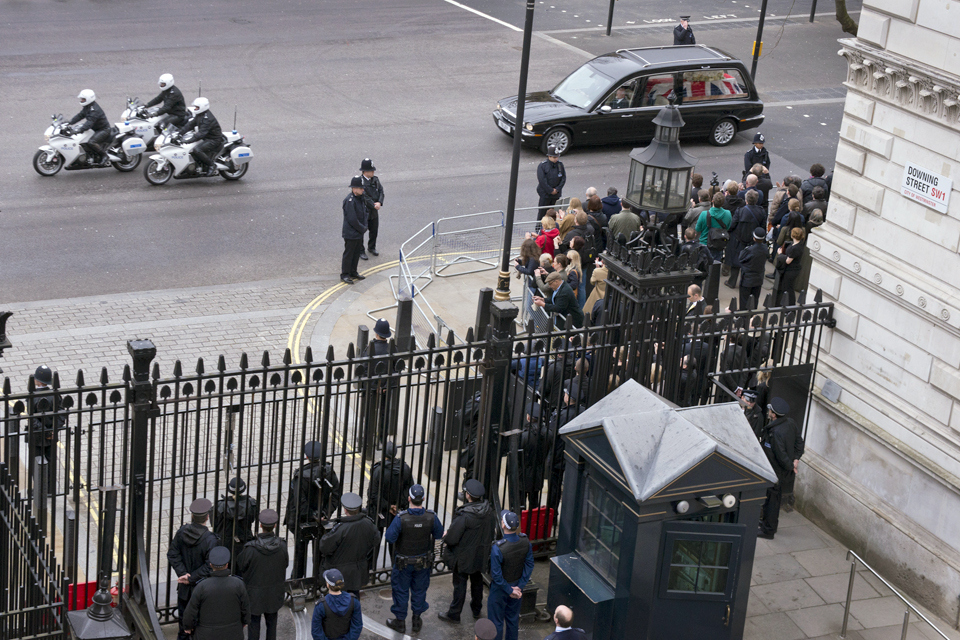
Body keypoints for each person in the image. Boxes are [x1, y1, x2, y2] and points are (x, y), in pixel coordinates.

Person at [385, 484, 444, 634]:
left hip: (403, 563)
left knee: (401, 591)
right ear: (423, 499)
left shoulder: (401, 518)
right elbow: (439, 534)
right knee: (419, 591)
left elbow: (389, 538)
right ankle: (416, 621)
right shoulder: (431, 517)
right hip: (423, 562)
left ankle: (400, 623)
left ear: (409, 498)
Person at [438, 479, 497, 623]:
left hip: (464, 557)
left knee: (460, 585)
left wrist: (446, 536)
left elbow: (452, 538)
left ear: (468, 496)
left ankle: (454, 613)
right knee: (477, 581)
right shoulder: (489, 512)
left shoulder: (465, 515)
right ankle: (476, 609)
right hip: (480, 555)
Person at [284, 441, 342, 579]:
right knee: (319, 553)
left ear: (306, 457)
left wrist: (310, 514)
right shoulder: (328, 472)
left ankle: (297, 582)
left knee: (300, 555)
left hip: (302, 521)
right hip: (321, 520)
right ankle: (319, 582)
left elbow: (299, 502)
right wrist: (325, 513)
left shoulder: (301, 476)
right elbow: (336, 495)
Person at [167, 499, 219, 640]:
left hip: (184, 590)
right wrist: (192, 577)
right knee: (201, 627)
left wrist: (184, 574)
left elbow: (172, 554)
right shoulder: (210, 540)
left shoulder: (182, 532)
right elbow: (210, 565)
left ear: (192, 516)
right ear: (207, 517)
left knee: (184, 627)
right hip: (203, 589)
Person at [236, 509, 288, 640]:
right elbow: (285, 564)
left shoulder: (251, 549)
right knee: (272, 624)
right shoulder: (282, 546)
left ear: (260, 525)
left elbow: (241, 565)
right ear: (275, 526)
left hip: (254, 594)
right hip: (274, 592)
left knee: (253, 625)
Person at [319, 492, 379, 597]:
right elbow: (376, 539)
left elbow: (324, 547)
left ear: (345, 510)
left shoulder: (341, 528)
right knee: (354, 599)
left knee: (338, 601)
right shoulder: (368, 523)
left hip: (340, 573)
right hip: (358, 571)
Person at [182, 546, 250, 640]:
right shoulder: (238, 584)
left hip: (206, 634)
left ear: (210, 565)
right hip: (233, 633)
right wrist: (245, 621)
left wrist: (188, 627)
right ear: (227, 565)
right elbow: (245, 607)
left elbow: (191, 611)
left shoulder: (202, 586)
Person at [366, 440, 415, 569]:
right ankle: (396, 568)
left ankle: (371, 571)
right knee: (394, 542)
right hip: (397, 512)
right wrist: (397, 505)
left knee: (375, 541)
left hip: (379, 512)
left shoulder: (379, 470)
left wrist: (387, 506)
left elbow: (373, 494)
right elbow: (409, 490)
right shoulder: (405, 468)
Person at [487, 511, 534, 640]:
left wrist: (508, 590)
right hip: (517, 585)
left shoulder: (498, 548)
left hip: (500, 589)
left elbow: (496, 575)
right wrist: (519, 586)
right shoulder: (525, 542)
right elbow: (529, 564)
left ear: (503, 525)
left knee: (496, 622)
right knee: (512, 620)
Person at [759, 398, 802, 539]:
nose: (769, 412)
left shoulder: (776, 432)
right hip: (780, 471)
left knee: (772, 500)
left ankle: (768, 530)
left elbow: (781, 455)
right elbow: (799, 443)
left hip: (776, 471)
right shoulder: (790, 423)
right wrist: (796, 459)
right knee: (772, 499)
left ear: (774, 414)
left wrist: (791, 466)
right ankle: (766, 523)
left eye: (770, 411)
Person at [359, 319, 399, 455]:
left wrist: (373, 386)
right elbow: (397, 369)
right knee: (384, 413)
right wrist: (386, 385)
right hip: (385, 388)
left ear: (376, 333)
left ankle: (367, 439)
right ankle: (382, 438)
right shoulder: (392, 348)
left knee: (369, 413)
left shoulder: (370, 348)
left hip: (372, 388)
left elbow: (364, 369)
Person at [28, 365, 65, 490]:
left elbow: (32, 419)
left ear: (37, 381)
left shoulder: (32, 396)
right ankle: (50, 488)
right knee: (50, 462)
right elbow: (61, 414)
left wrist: (45, 432)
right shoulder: (55, 394)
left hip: (37, 437)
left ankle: (39, 489)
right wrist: (53, 430)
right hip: (52, 436)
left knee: (37, 463)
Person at [725, 190, 766, 289]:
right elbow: (763, 227)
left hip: (739, 239)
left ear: (746, 200)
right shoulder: (761, 211)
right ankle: (745, 282)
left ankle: (732, 281)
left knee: (736, 261)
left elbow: (733, 225)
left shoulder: (740, 211)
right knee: (750, 262)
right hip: (753, 241)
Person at [213, 477, 259, 559]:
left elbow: (214, 524)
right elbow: (253, 519)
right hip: (245, 539)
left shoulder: (221, 505)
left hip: (225, 542)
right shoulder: (251, 504)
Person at [311, 569, 363, 640]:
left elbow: (316, 631)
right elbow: (357, 625)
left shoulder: (321, 605)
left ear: (328, 585)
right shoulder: (354, 601)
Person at [178, 97, 222, 176]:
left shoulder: (207, 119)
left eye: (197, 107)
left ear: (202, 107)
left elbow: (201, 134)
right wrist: (179, 133)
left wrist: (188, 141)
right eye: (195, 107)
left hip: (214, 139)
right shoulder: (200, 115)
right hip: (206, 137)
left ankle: (212, 165)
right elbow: (190, 125)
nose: (195, 108)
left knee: (197, 149)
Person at [68, 90, 111, 165]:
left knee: (92, 142)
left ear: (89, 99)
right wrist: (70, 122)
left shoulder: (94, 110)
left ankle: (105, 156)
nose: (81, 100)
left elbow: (89, 123)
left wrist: (79, 130)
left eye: (83, 99)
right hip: (95, 129)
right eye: (81, 99)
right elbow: (80, 115)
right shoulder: (88, 107)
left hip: (103, 130)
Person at [340, 176, 368, 285]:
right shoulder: (349, 200)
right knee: (349, 254)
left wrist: (364, 226)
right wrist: (362, 228)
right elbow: (352, 219)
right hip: (351, 233)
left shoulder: (360, 198)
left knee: (356, 253)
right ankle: (345, 274)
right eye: (361, 188)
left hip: (358, 232)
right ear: (354, 189)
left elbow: (365, 212)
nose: (363, 190)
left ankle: (353, 272)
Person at [358, 158, 384, 260]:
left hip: (373, 211)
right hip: (364, 212)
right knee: (361, 232)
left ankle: (371, 247)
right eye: (371, 170)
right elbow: (364, 196)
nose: (373, 172)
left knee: (374, 231)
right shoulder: (360, 182)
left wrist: (380, 202)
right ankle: (360, 251)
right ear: (365, 171)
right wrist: (373, 204)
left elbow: (381, 191)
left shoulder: (375, 180)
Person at [696, 192, 731, 263]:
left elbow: (697, 229)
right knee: (715, 269)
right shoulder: (728, 214)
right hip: (718, 244)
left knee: (703, 268)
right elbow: (727, 228)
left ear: (712, 201)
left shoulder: (704, 214)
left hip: (705, 244)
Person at [738, 227, 768, 310]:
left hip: (748, 278)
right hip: (758, 278)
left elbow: (741, 258)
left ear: (754, 238)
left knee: (744, 300)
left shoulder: (750, 250)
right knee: (755, 299)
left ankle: (743, 318)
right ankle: (752, 317)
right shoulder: (765, 249)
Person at [774, 227, 806, 306]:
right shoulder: (798, 245)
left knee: (789, 289)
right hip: (792, 270)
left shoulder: (795, 248)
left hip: (791, 271)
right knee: (787, 288)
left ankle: (790, 307)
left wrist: (780, 254)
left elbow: (788, 261)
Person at [536, 146, 566, 215]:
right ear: (549, 156)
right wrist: (550, 190)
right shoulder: (543, 166)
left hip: (556, 195)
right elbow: (542, 180)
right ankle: (539, 226)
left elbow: (563, 178)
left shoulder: (560, 165)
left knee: (554, 214)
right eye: (554, 157)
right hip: (545, 195)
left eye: (557, 157)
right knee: (542, 214)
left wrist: (557, 189)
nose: (556, 159)